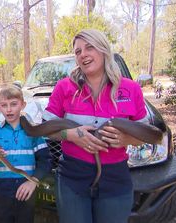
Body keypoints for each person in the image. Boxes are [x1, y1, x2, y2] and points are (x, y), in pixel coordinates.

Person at [43, 29, 148, 223]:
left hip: (116, 179)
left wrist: (126, 139)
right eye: (78, 51)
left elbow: (146, 134)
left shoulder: (131, 89)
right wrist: (70, 135)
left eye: (89, 47)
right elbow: (46, 129)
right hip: (72, 177)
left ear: (104, 50)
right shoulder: (64, 87)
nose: (83, 54)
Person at [0, 85, 50, 223]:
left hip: (26, 187)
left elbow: (45, 160)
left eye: (14, 104)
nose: (9, 109)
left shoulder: (33, 131)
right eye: (4, 105)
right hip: (2, 187)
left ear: (23, 105)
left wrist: (33, 181)